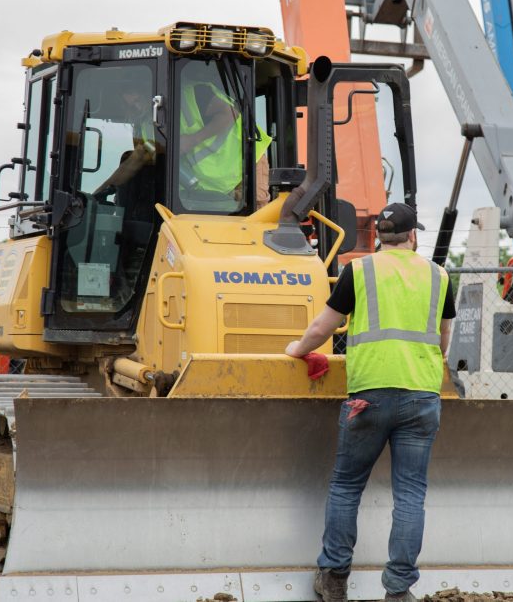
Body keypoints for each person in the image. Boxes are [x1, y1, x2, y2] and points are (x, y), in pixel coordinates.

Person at [284, 202, 456, 602]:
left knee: (346, 486)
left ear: (380, 236)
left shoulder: (358, 270)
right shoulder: (439, 275)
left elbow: (321, 328)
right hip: (421, 394)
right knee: (410, 494)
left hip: (368, 395)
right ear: (413, 237)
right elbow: (444, 339)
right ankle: (398, 590)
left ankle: (334, 578)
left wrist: (297, 349)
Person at [177, 78, 271, 209]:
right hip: (219, 184)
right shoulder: (149, 123)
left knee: (256, 215)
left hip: (246, 163)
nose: (137, 106)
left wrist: (192, 140)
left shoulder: (194, 94)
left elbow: (230, 114)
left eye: (137, 98)